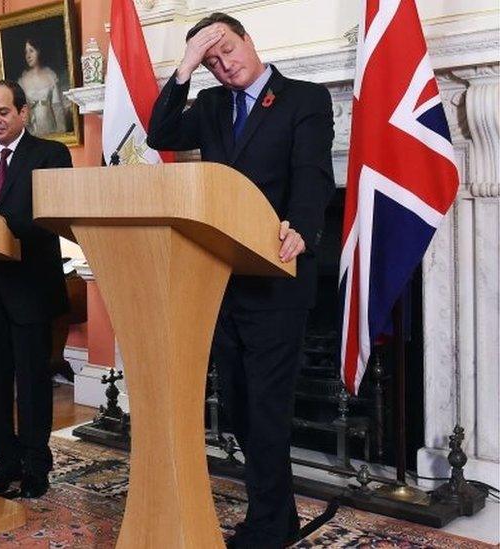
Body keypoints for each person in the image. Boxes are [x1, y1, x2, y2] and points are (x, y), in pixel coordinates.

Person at [147, 13, 334, 547]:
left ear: (249, 40)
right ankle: (276, 510)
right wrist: (184, 67)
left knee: (268, 407)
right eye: (211, 61)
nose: (224, 65)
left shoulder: (303, 98)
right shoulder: (208, 105)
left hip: (277, 273)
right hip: (222, 278)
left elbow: (313, 173)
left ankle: (269, 525)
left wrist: (303, 227)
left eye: (227, 49)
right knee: (238, 404)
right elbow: (160, 133)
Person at [0, 80, 72, 499]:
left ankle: (36, 467)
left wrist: (2, 231)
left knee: (33, 383)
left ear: (23, 113)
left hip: (31, 287)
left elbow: (53, 214)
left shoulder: (50, 155)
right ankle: (4, 463)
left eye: (2, 112)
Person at [17, 38, 69, 137]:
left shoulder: (50, 76)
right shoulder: (22, 81)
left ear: (39, 51)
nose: (28, 56)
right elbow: (21, 111)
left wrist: (62, 132)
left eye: (31, 51)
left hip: (49, 125)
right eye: (26, 52)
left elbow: (57, 107)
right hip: (31, 129)